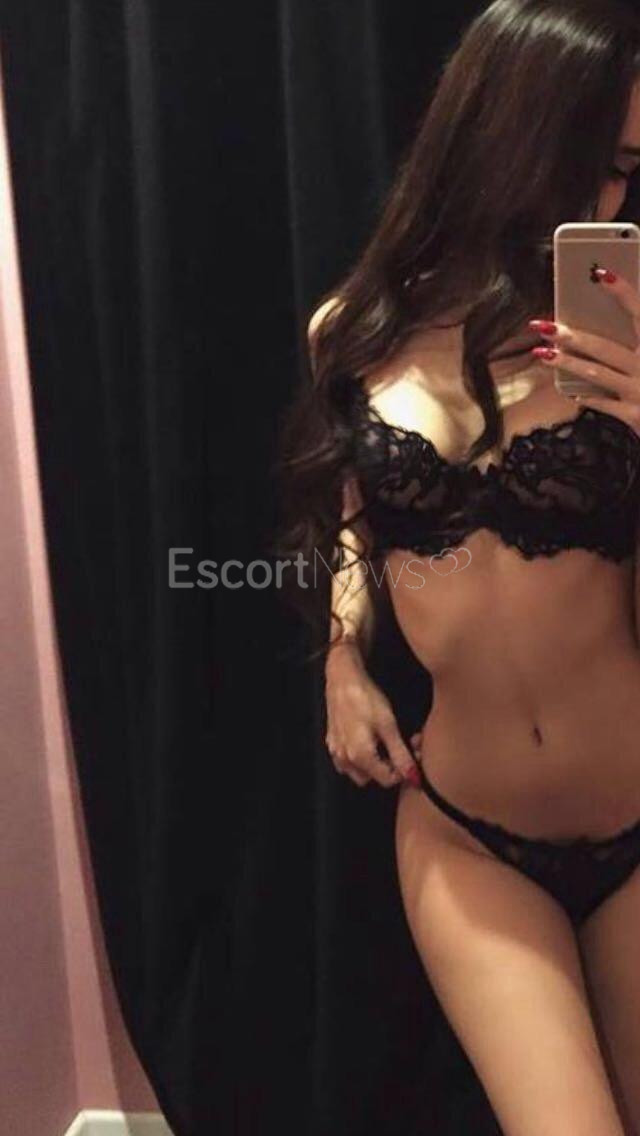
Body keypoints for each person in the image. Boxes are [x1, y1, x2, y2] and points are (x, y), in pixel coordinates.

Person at [272, 2, 640, 1132]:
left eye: (630, 169)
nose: (611, 201)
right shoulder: (353, 332)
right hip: (468, 830)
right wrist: (342, 655)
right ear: (511, 134)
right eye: (595, 161)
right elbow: (354, 522)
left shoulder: (630, 324)